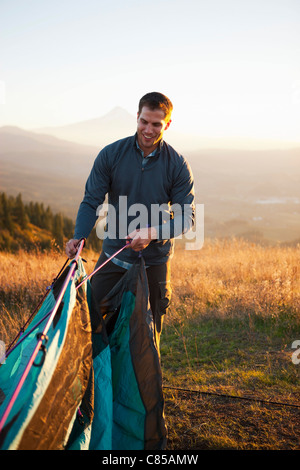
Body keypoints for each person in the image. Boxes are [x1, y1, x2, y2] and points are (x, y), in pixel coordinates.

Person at [66, 92, 195, 347]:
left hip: (155, 263)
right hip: (113, 257)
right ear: (137, 117)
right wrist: (79, 235)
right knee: (90, 322)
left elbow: (186, 217)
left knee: (147, 336)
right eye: (144, 121)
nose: (148, 129)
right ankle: (99, 383)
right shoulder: (111, 154)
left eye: (156, 124)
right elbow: (92, 200)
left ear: (167, 124)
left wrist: (152, 233)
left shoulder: (177, 164)